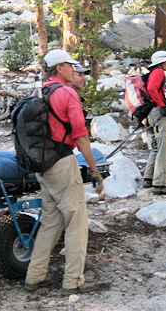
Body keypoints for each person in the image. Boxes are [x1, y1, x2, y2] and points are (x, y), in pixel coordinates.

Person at [23, 49, 105, 296]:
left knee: (50, 222)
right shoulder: (67, 93)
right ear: (59, 69)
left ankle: (33, 277)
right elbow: (80, 136)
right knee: (76, 223)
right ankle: (73, 282)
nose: (73, 69)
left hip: (41, 166)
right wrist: (94, 171)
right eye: (70, 66)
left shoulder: (37, 92)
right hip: (61, 163)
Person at [142, 50, 166, 195]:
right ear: (161, 62)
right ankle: (160, 184)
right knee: (164, 146)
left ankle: (148, 178)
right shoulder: (159, 72)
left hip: (147, 113)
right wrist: (162, 105)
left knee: (155, 146)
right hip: (156, 111)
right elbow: (151, 89)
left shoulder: (151, 73)